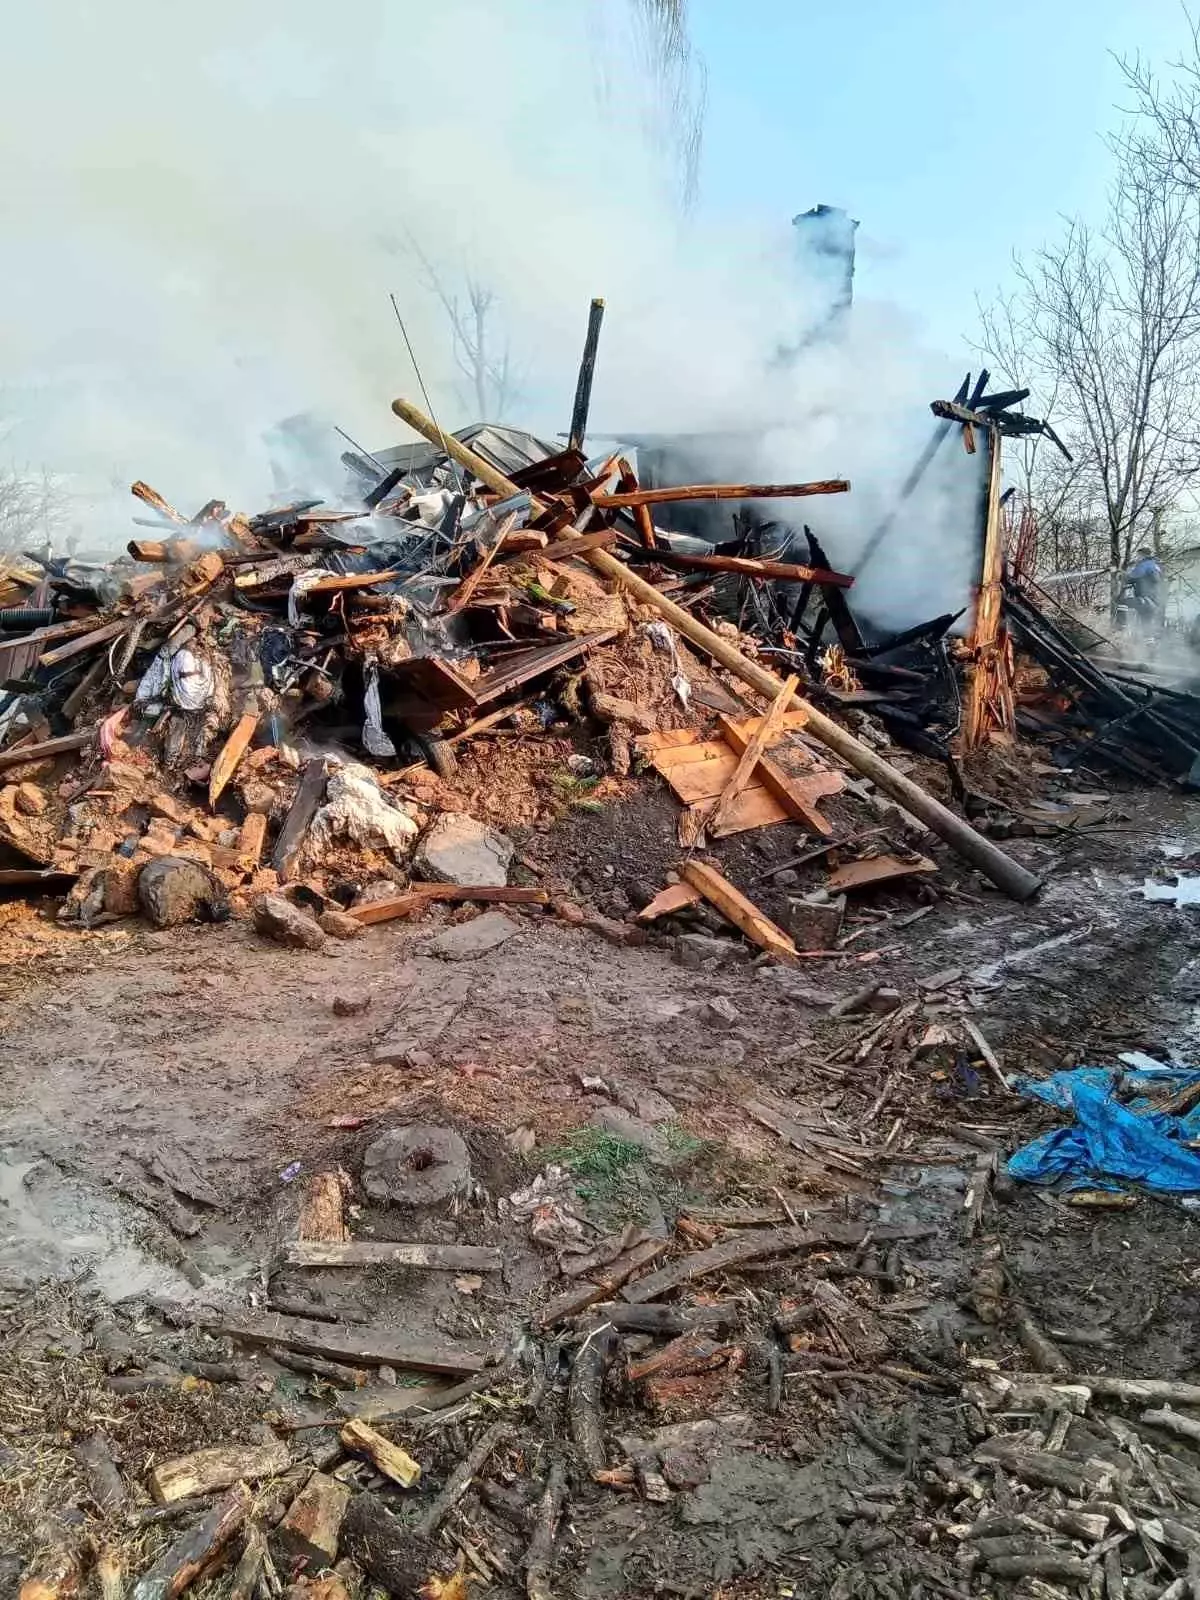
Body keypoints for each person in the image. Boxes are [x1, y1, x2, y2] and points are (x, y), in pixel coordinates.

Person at [1125, 546, 1164, 633]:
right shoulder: (1156, 566)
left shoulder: (1144, 565)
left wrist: (1119, 574)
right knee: (1146, 625)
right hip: (1154, 601)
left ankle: (1119, 628)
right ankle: (1149, 643)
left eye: (1138, 555)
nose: (1137, 558)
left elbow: (1130, 578)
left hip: (1144, 599)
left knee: (1120, 602)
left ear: (1143, 555)